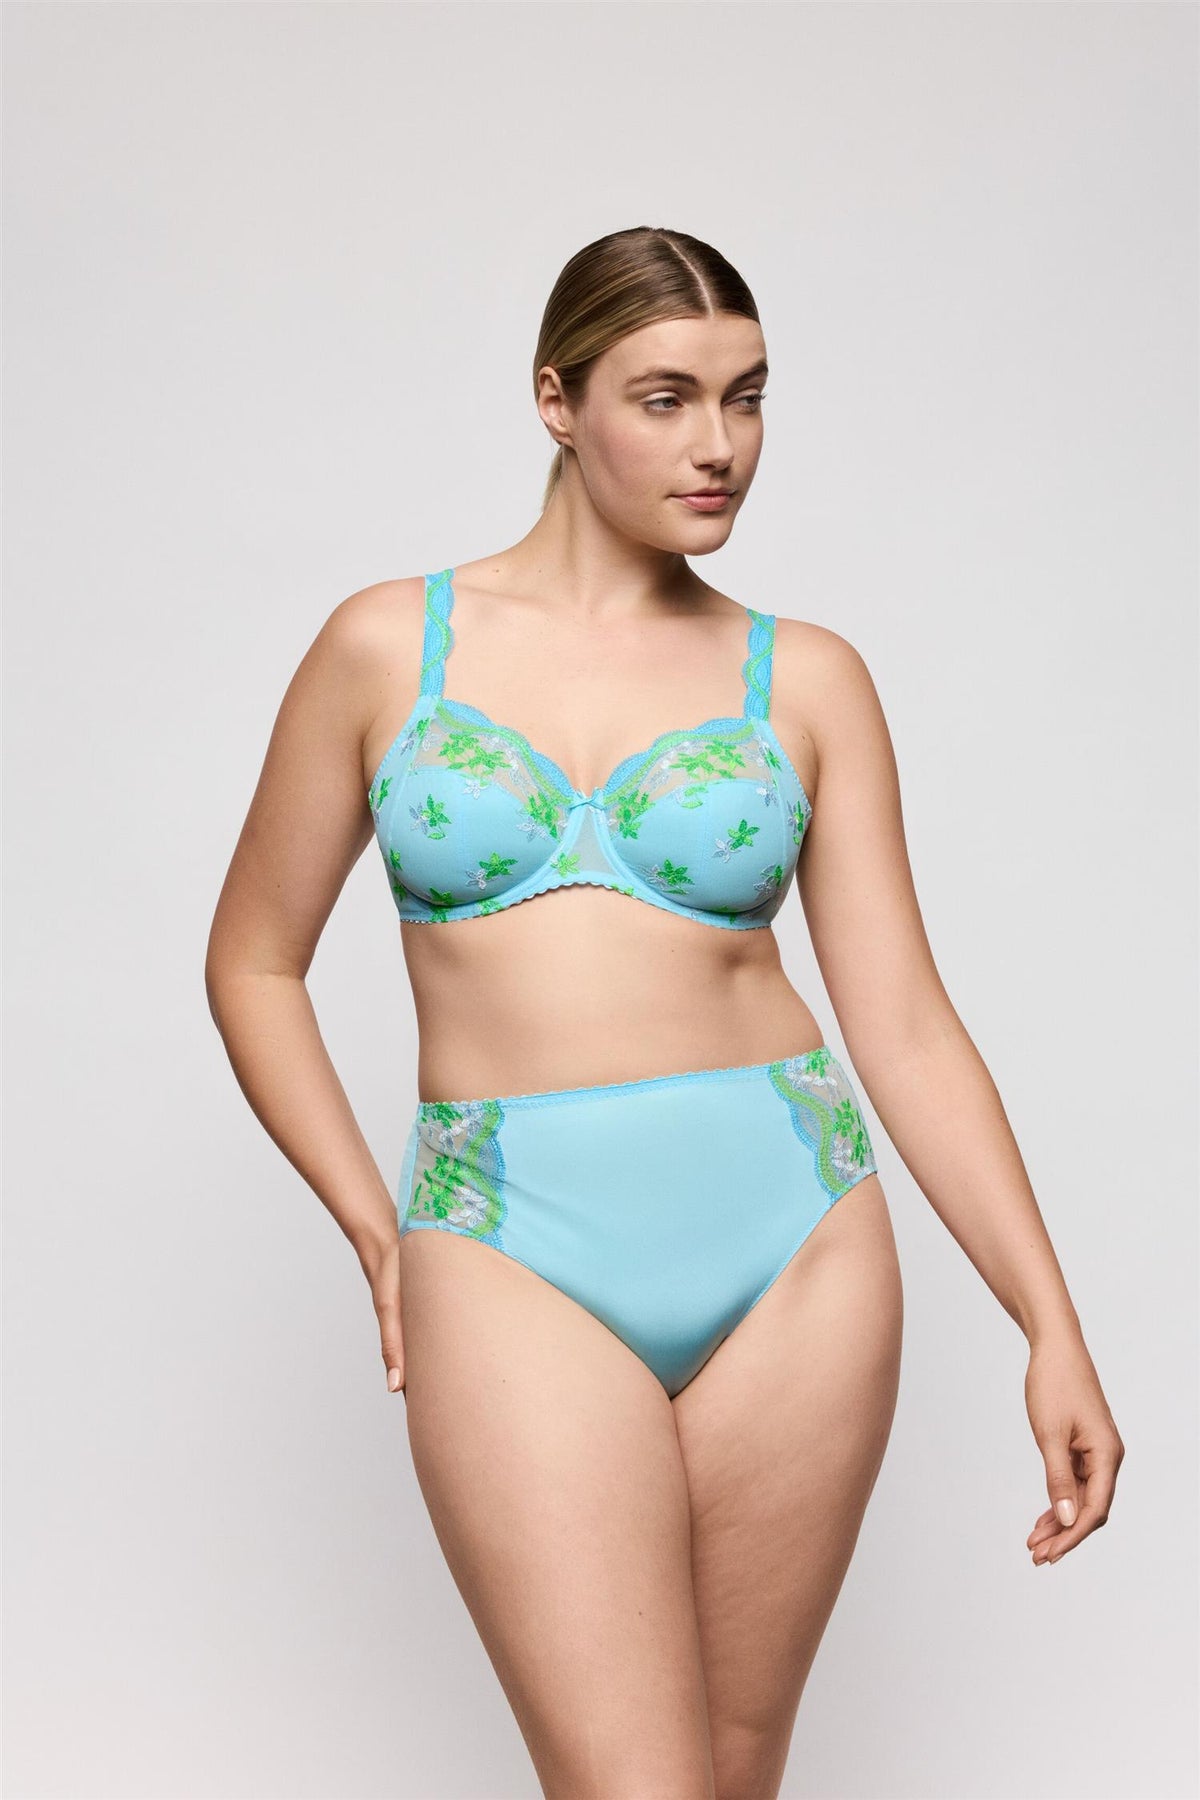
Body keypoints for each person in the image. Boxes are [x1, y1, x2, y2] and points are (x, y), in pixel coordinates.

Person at [204, 226, 1124, 1800]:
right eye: (667, 397)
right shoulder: (385, 646)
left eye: (747, 398)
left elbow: (904, 1021)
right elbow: (252, 963)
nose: (720, 446)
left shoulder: (807, 679)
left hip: (796, 1234)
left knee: (736, 1772)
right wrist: (375, 1228)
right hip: (508, 1235)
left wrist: (1051, 1324)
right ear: (555, 401)